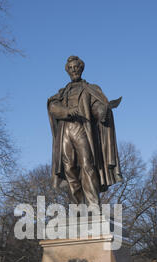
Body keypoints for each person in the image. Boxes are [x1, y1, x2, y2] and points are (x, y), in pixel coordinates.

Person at [47, 55, 123, 206]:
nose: (74, 70)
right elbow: (52, 107)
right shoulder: (62, 93)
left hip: (82, 129)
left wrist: (102, 110)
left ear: (81, 69)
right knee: (69, 168)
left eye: (77, 67)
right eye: (71, 68)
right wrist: (67, 111)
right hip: (66, 131)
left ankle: (94, 205)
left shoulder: (90, 89)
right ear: (67, 71)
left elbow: (96, 106)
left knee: (87, 165)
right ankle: (78, 207)